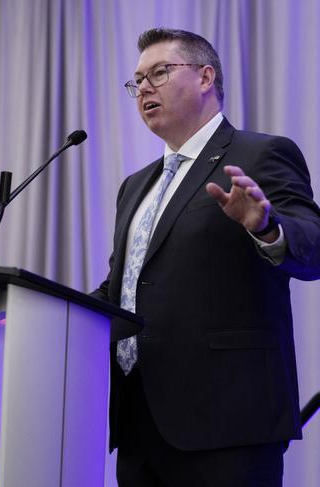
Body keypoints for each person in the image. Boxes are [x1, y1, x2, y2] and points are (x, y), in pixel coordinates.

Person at [91, 28, 320, 486]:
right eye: (137, 81)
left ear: (205, 77)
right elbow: (124, 286)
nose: (144, 89)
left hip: (227, 424)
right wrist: (50, 311)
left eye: (160, 72)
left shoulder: (261, 153)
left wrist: (266, 226)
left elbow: (313, 248)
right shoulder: (136, 185)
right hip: (140, 424)